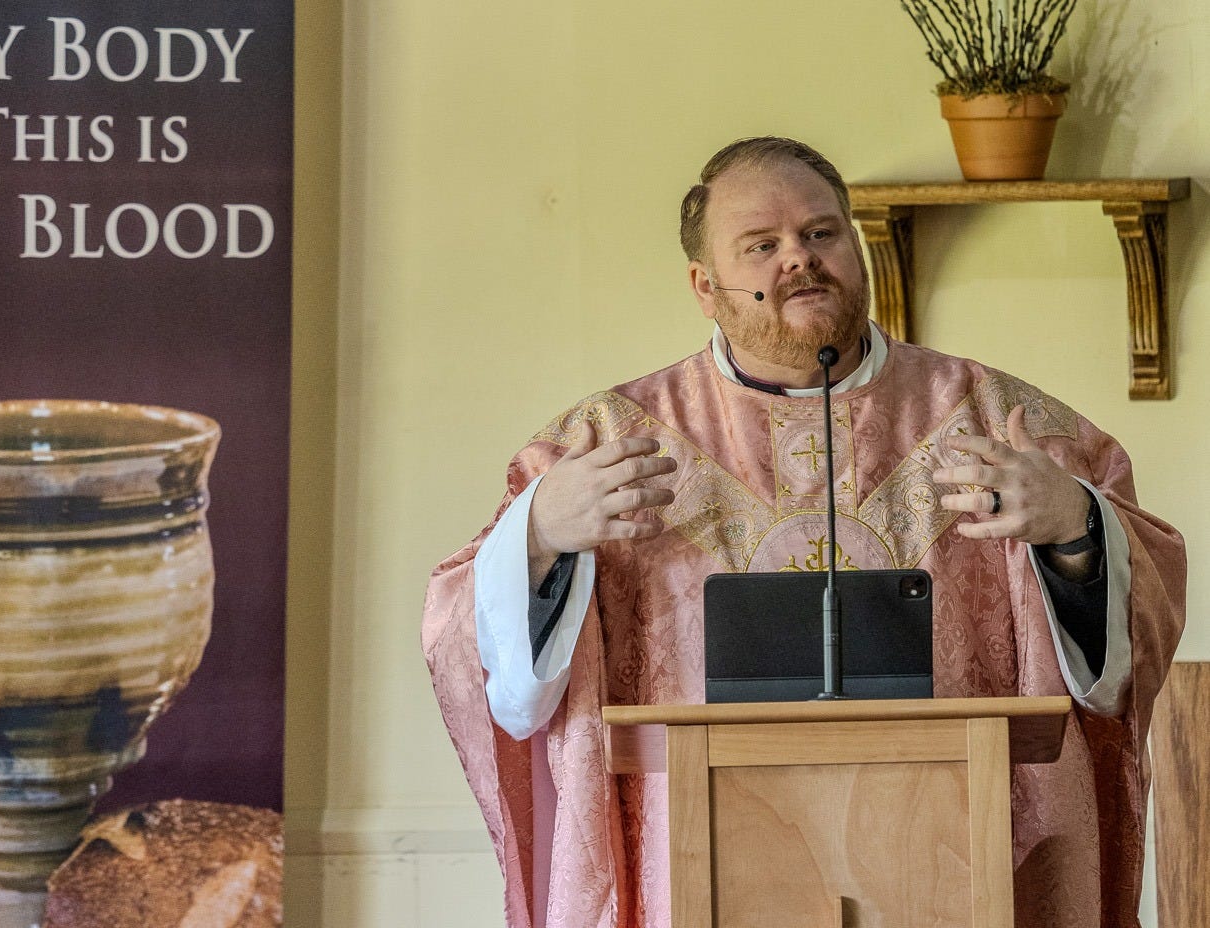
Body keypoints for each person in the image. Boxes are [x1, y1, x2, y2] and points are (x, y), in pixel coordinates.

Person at [422, 137, 1185, 928]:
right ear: (704, 286)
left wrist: (1075, 527)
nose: (799, 258)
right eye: (761, 245)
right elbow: (463, 640)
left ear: (854, 247)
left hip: (953, 857)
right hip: (698, 861)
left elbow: (1136, 623)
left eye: (820, 233)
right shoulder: (608, 445)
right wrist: (539, 535)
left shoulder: (995, 420)